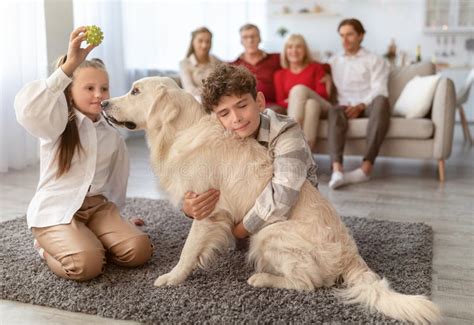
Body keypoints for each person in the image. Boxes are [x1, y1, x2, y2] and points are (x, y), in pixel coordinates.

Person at [14, 27, 153, 281]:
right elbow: (28, 110)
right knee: (87, 265)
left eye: (104, 88)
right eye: (89, 88)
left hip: (97, 208)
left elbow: (116, 180)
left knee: (139, 250)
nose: (99, 95)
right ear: (70, 91)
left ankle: (89, 237)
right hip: (57, 209)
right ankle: (46, 248)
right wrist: (68, 68)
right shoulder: (55, 124)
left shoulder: (112, 135)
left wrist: (118, 218)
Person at [182, 64, 318, 239]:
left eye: (242, 105)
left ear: (259, 102)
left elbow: (284, 196)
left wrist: (239, 231)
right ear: (216, 119)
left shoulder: (287, 132)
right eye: (224, 113)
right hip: (249, 216)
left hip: (295, 218)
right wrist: (189, 207)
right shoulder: (222, 135)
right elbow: (203, 181)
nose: (236, 118)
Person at [327, 18, 390, 190]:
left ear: (361, 36)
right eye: (342, 35)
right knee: (334, 111)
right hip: (344, 106)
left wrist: (361, 105)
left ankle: (365, 169)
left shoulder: (375, 60)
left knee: (382, 101)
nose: (345, 40)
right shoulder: (333, 62)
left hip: (368, 105)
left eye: (350, 35)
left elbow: (380, 89)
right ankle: (337, 170)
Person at [274, 34, 332, 150]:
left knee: (299, 89)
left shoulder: (316, 68)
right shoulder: (279, 75)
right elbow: (280, 101)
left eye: (298, 47)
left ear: (305, 51)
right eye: (290, 47)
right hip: (311, 106)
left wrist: (297, 97)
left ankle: (290, 137)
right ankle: (305, 156)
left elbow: (322, 94)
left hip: (324, 106)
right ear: (285, 52)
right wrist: (298, 100)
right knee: (311, 104)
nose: (294, 51)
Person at [232, 24, 283, 113]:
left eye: (253, 36)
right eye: (245, 37)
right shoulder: (234, 65)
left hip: (272, 106)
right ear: (241, 41)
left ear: (260, 39)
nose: (250, 40)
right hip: (247, 107)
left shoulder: (276, 58)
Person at [179, 26, 221, 100]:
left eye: (208, 42)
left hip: (217, 100)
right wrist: (213, 92)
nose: (204, 45)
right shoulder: (184, 64)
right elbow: (189, 90)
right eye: (200, 41)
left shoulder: (217, 62)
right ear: (193, 42)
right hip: (196, 101)